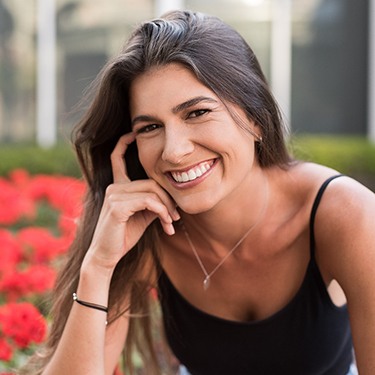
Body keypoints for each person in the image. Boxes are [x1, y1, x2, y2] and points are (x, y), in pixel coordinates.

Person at [21, 10, 374, 375]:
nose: (174, 151)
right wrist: (99, 266)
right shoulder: (145, 229)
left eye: (197, 113)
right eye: (151, 127)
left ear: (255, 118)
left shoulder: (348, 215)